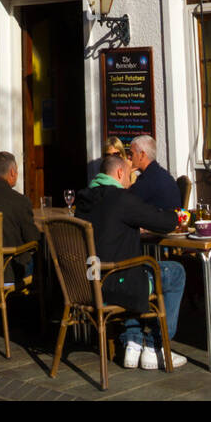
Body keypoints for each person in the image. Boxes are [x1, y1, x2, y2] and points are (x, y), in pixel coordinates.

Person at [75, 152, 187, 370]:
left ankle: (133, 342)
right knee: (174, 272)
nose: (130, 181)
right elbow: (163, 222)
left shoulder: (83, 199)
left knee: (133, 266)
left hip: (86, 284)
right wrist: (178, 217)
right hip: (117, 285)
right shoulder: (121, 198)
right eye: (128, 175)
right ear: (119, 173)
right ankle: (156, 346)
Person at [128, 135, 181, 209]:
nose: (128, 157)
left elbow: (125, 203)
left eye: (131, 154)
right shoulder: (160, 173)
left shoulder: (148, 180)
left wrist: (125, 173)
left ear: (142, 155)